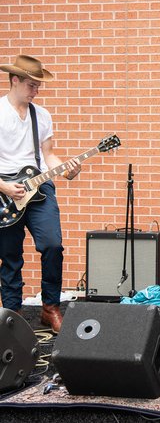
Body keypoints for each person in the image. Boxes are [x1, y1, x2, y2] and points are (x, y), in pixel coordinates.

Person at [0, 55, 81, 333]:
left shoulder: (42, 115)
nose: (36, 91)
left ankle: (50, 307)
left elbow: (47, 155)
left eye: (38, 86)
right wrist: (3, 186)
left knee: (52, 245)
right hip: (4, 191)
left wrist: (68, 169)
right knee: (10, 255)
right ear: (15, 81)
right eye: (32, 85)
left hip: (39, 188)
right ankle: (12, 314)